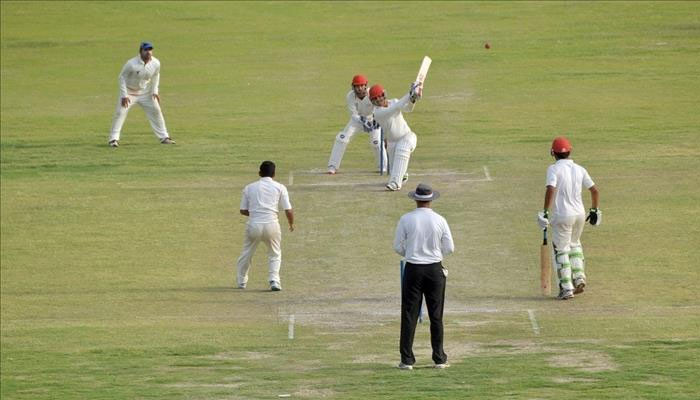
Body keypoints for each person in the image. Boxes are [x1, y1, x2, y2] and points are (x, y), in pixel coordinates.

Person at [393, 183, 454, 370]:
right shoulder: (440, 220)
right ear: (431, 200)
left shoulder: (406, 219)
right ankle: (439, 358)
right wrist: (435, 253)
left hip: (413, 268)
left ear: (416, 200)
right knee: (436, 315)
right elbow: (449, 248)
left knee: (409, 314)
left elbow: (397, 246)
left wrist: (411, 251)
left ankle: (407, 360)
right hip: (434, 269)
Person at [537, 136, 601, 300]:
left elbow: (551, 189)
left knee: (561, 249)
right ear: (570, 151)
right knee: (574, 245)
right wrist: (594, 210)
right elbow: (595, 191)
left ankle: (566, 288)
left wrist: (545, 211)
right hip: (580, 215)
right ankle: (579, 277)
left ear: (553, 153)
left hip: (563, 215)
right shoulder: (580, 169)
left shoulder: (553, 169)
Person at [237, 161, 294, 291]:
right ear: (273, 174)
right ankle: (274, 281)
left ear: (259, 173)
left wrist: (256, 213)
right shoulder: (280, 187)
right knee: (275, 254)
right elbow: (288, 210)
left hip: (254, 225)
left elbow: (243, 210)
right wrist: (291, 223)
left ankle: (241, 281)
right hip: (272, 225)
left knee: (246, 254)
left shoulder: (249, 187)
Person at [108, 41, 175, 147]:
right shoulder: (131, 63)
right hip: (129, 92)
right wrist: (124, 95)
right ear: (140, 51)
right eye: (146, 50)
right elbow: (121, 77)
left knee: (156, 110)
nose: (148, 52)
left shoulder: (156, 63)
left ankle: (164, 137)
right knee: (120, 113)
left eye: (150, 50)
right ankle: (113, 139)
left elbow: (156, 76)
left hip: (145, 92)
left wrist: (154, 91)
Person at [327, 75, 387, 174]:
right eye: (356, 86)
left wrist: (376, 120)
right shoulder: (350, 96)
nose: (359, 89)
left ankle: (383, 166)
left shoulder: (371, 93)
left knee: (376, 143)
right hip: (357, 120)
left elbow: (379, 106)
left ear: (365, 86)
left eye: (361, 86)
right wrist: (363, 121)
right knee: (342, 138)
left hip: (373, 120)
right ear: (353, 87)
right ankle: (333, 166)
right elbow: (353, 114)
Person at [370, 82, 422, 191]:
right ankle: (402, 176)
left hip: (407, 136)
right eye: (375, 98)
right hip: (392, 143)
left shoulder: (393, 101)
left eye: (380, 96)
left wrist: (412, 99)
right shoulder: (377, 113)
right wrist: (410, 94)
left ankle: (395, 184)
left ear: (384, 94)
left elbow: (408, 109)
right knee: (396, 170)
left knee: (402, 148)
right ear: (372, 101)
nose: (378, 99)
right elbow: (394, 108)